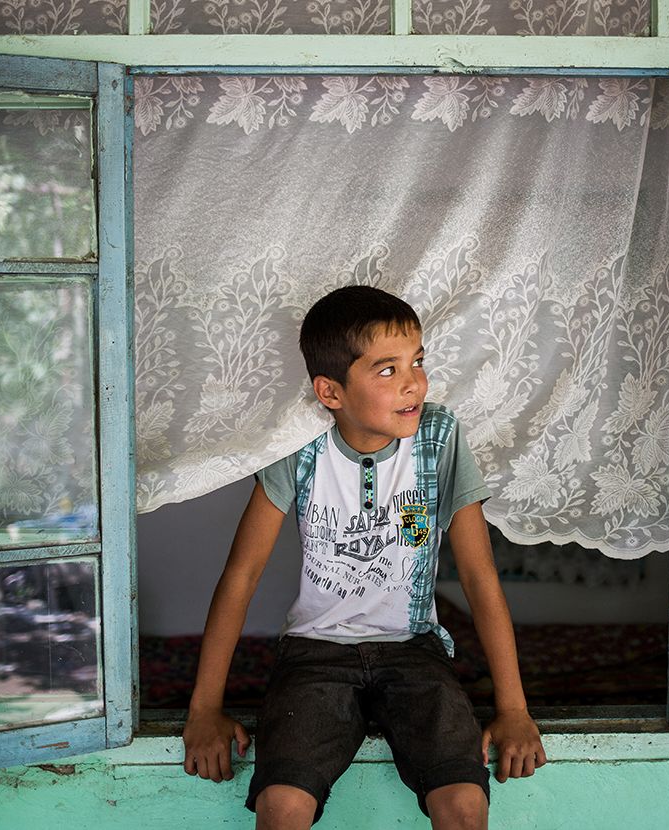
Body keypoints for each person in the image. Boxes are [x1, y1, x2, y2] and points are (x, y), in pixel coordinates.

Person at [183, 285, 546, 829]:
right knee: (282, 806)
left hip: (414, 649)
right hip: (315, 653)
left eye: (417, 361)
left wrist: (514, 710)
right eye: (387, 370)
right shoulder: (300, 447)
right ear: (330, 392)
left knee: (464, 804)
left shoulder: (438, 438)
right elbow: (242, 574)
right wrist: (203, 709)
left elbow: (478, 575)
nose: (413, 382)